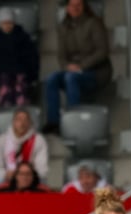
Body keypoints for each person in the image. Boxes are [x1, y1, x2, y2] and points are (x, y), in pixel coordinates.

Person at [43, 0, 112, 134]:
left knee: (70, 78)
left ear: (84, 6)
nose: (75, 8)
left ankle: (73, 123)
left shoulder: (94, 23)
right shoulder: (62, 27)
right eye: (72, 5)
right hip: (73, 70)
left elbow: (102, 51)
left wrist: (81, 66)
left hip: (96, 71)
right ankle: (54, 122)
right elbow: (61, 56)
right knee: (51, 79)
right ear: (67, 8)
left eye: (78, 5)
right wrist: (67, 66)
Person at [0, 7, 39, 109]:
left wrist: (32, 76)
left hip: (21, 73)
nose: (7, 26)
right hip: (3, 75)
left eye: (9, 23)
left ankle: (22, 113)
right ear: (0, 24)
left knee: (20, 91)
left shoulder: (23, 37)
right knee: (5, 91)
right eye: (4, 23)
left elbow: (32, 58)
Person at [0, 108, 48, 192]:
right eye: (19, 119)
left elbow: (42, 169)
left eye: (25, 120)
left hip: (30, 178)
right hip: (8, 178)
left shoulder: (38, 140)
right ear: (13, 122)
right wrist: (6, 175)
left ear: (30, 123)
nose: (22, 123)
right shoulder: (3, 140)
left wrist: (26, 175)